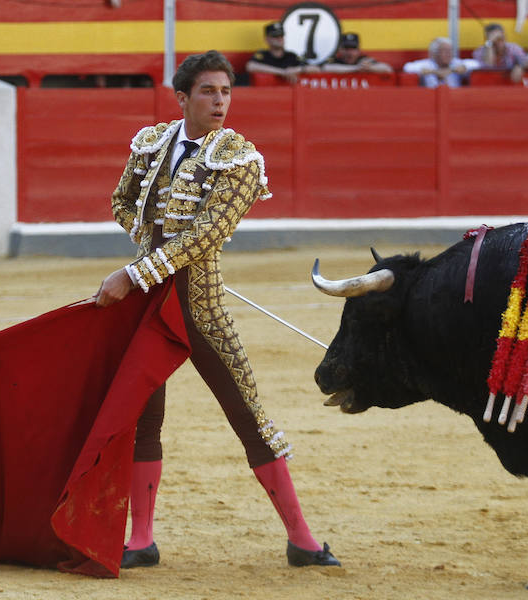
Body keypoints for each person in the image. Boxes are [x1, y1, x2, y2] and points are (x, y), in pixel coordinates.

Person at [99, 50, 340, 569]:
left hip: (198, 306)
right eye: (209, 91)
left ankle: (302, 539)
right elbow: (122, 199)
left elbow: (208, 234)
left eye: (226, 92)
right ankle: (142, 540)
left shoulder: (241, 159)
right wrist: (146, 239)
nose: (220, 102)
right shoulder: (152, 144)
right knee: (144, 418)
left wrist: (137, 270)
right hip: (150, 306)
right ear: (183, 97)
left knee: (247, 415)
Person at [245, 21, 318, 84]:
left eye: (281, 35)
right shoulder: (263, 55)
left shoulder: (291, 56)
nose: (279, 39)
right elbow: (250, 66)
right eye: (275, 36)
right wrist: (282, 72)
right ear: (267, 39)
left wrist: (297, 70)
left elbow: (315, 69)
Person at [402, 37, 478, 87]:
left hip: (455, 99)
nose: (449, 54)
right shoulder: (427, 63)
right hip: (430, 100)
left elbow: (476, 64)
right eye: (444, 51)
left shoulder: (455, 63)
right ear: (434, 53)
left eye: (450, 50)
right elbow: (407, 67)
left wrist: (454, 70)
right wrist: (435, 72)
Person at [321, 32, 393, 73]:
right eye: (346, 48)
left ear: (359, 50)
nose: (349, 53)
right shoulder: (336, 60)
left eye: (353, 49)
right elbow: (325, 68)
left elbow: (387, 68)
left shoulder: (364, 60)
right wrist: (356, 68)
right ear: (340, 50)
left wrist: (370, 68)